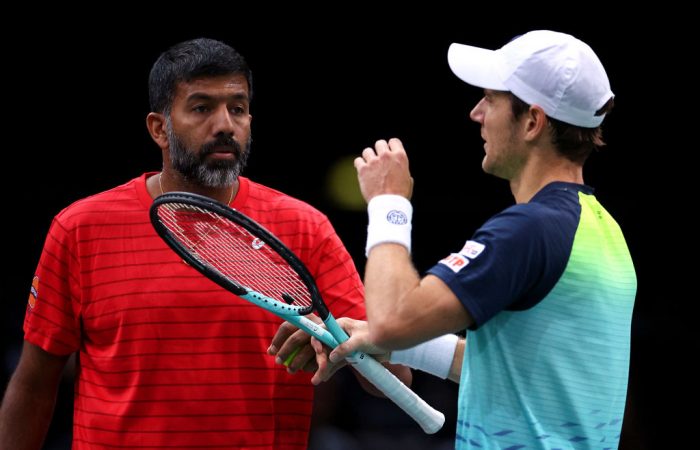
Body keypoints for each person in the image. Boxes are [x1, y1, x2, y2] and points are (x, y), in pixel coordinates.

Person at [0, 37, 406, 450]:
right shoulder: (79, 228)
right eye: (201, 108)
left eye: (238, 108)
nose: (225, 124)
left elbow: (393, 381)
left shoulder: (305, 227)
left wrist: (343, 346)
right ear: (160, 128)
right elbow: (35, 384)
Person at [307, 30, 637, 449]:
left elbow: (392, 319)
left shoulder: (528, 230)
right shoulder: (603, 231)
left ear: (532, 122)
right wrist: (397, 346)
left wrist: (388, 202)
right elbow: (524, 375)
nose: (476, 113)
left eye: (492, 100)